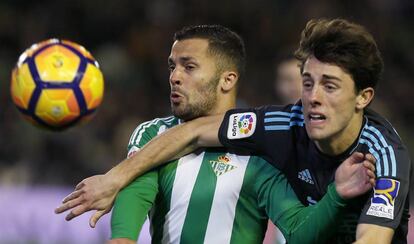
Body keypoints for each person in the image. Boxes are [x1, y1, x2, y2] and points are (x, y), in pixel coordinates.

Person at [54, 19, 400, 243]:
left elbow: (314, 231)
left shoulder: (380, 155)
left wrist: (337, 194)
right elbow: (172, 151)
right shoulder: (155, 133)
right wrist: (116, 187)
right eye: (307, 83)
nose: (174, 76)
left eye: (189, 67)